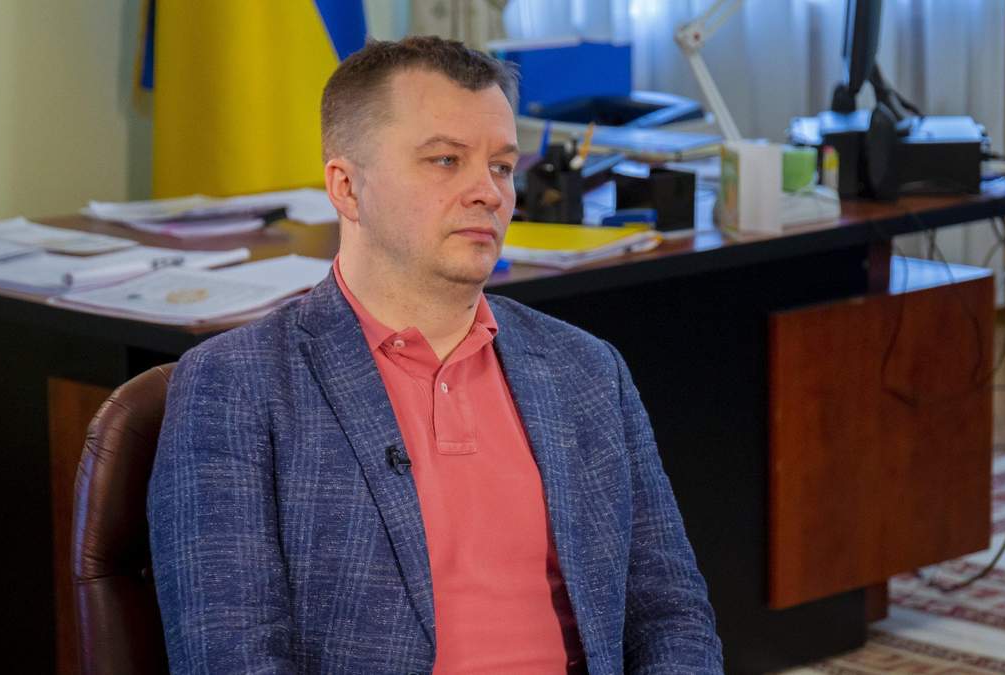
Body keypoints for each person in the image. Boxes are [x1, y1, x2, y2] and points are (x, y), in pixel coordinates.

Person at [148, 36, 723, 674]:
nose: (489, 193)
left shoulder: (587, 370)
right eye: (446, 160)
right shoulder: (235, 386)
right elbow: (229, 654)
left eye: (501, 166)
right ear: (346, 187)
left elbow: (671, 614)